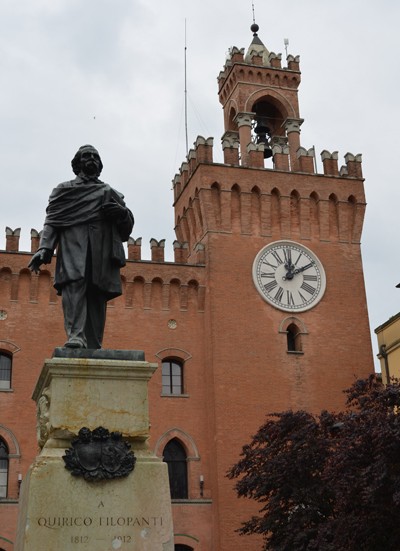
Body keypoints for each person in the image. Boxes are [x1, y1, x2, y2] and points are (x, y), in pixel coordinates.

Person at [29, 145, 134, 349]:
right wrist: (45, 248)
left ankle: (94, 343)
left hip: (101, 248)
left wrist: (121, 213)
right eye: (87, 156)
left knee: (97, 293)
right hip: (73, 246)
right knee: (74, 286)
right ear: (77, 163)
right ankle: (75, 336)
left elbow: (126, 229)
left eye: (96, 157)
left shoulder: (109, 192)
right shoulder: (64, 190)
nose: (92, 159)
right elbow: (52, 220)